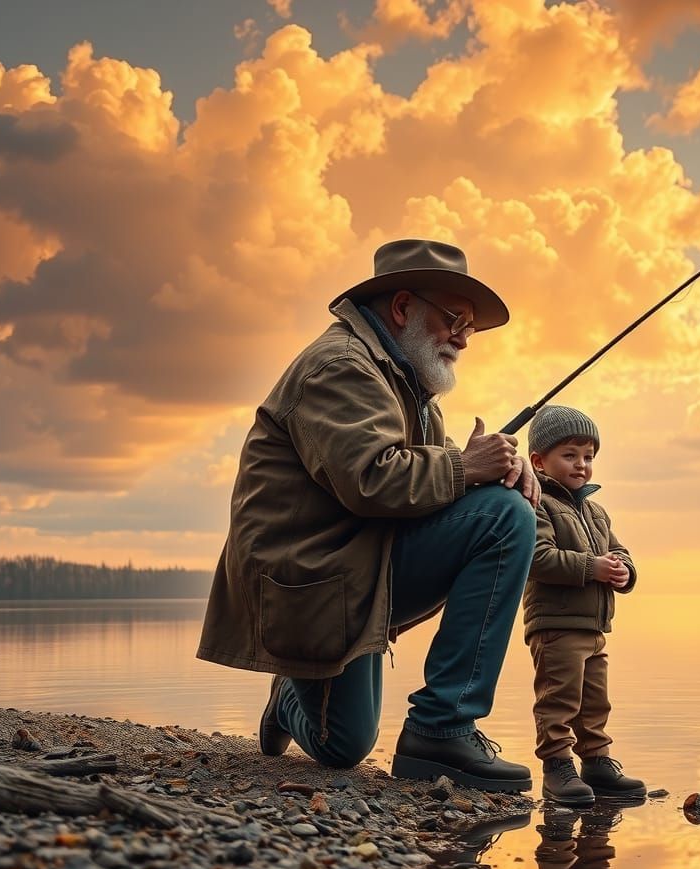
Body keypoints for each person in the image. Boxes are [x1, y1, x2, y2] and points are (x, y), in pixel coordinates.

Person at [197, 239, 540, 792]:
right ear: (402, 308)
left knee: (503, 510)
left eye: (470, 329)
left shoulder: (408, 387)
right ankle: (421, 726)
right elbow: (373, 479)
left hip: (356, 568)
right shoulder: (340, 367)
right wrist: (469, 468)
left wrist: (502, 470)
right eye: (455, 319)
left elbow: (440, 484)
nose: (463, 338)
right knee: (345, 747)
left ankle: (435, 725)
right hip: (310, 583)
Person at [523, 405, 646, 805]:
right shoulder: (535, 503)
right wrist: (592, 567)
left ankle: (596, 760)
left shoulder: (595, 511)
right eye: (570, 455)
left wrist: (623, 570)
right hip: (555, 624)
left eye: (588, 456)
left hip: (594, 627)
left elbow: (618, 550)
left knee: (595, 700)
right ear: (539, 462)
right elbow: (537, 558)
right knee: (559, 698)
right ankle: (557, 766)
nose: (581, 464)